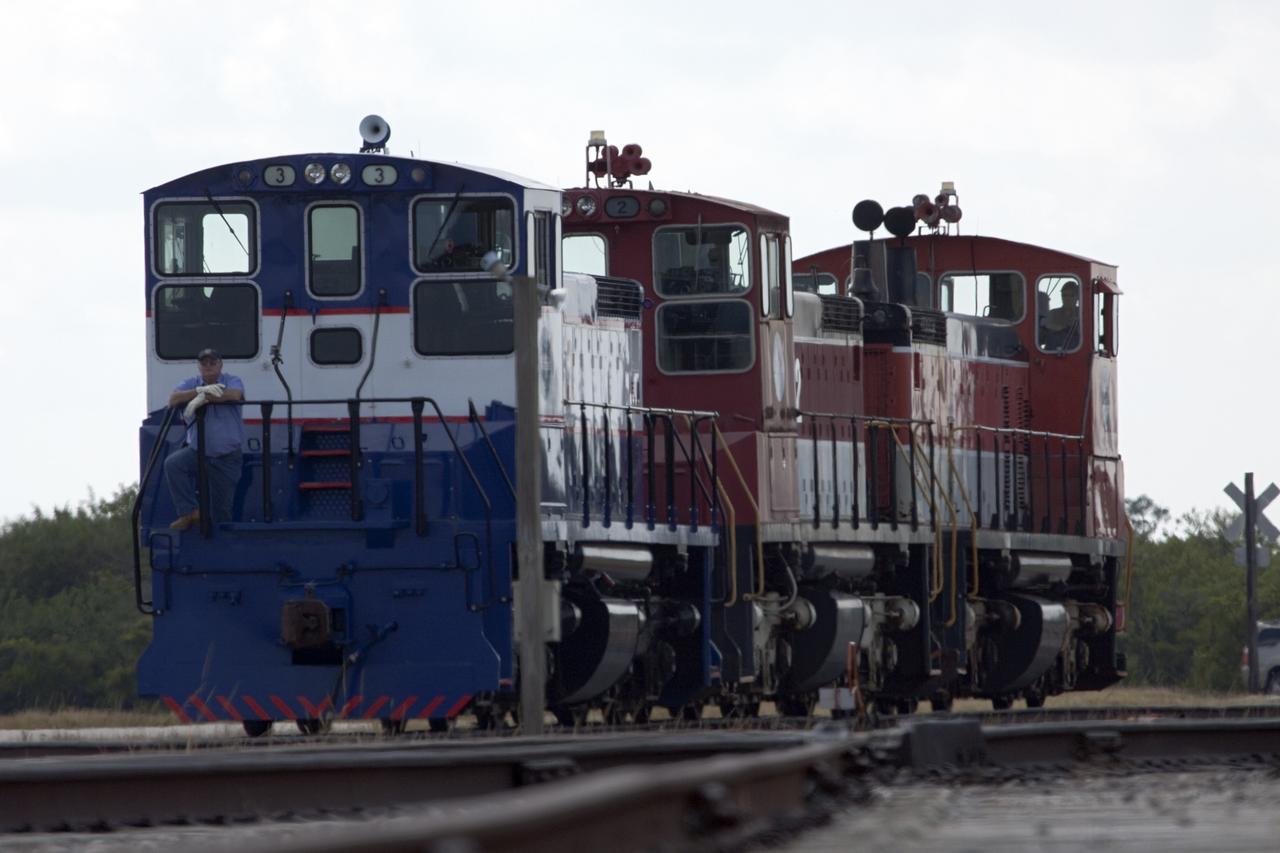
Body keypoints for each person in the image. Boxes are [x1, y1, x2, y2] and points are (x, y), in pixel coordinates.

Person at [164, 348, 245, 530]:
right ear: (198, 366)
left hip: (227, 457)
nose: (208, 366)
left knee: (221, 510)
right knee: (173, 464)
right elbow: (173, 398)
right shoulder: (191, 383)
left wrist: (204, 398)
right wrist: (199, 391)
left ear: (220, 365)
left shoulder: (232, 380)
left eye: (212, 362)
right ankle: (189, 512)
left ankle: (222, 547)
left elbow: (234, 395)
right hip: (197, 452)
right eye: (204, 363)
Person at [1040, 280, 1081, 350]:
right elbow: (1042, 334)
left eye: (1071, 296)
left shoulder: (1083, 314)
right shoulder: (1053, 313)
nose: (1067, 298)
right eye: (1064, 295)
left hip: (1075, 353)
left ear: (1077, 297)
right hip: (1052, 353)